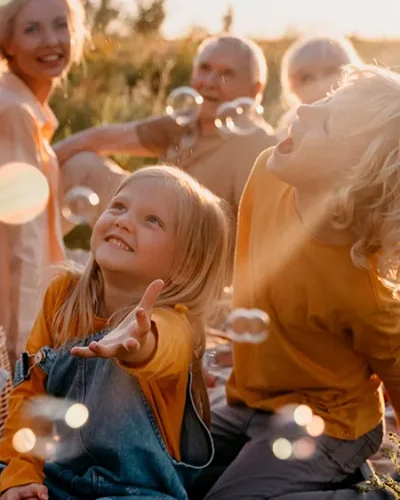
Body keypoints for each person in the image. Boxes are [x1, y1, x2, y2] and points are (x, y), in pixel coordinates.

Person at [192, 65, 400, 500]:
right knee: (160, 466)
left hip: (333, 423)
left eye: (326, 121)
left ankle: (375, 494)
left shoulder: (364, 292)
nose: (305, 109)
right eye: (323, 101)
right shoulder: (266, 174)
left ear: (354, 176)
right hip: (250, 399)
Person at [0, 165, 231, 499]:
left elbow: (163, 347)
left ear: (185, 264)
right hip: (52, 477)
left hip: (135, 490)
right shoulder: (62, 297)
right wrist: (21, 474)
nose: (123, 221)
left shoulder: (174, 324)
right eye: (119, 207)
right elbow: (30, 393)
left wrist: (140, 344)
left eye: (152, 220)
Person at [53, 35, 277, 217]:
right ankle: (37, 253)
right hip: (153, 223)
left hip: (198, 251)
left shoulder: (258, 144)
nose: (209, 82)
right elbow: (101, 138)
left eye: (227, 74)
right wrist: (35, 164)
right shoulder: (184, 122)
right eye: (205, 68)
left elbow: (252, 233)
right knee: (80, 164)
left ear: (254, 90)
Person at [0, 0, 88, 366]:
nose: (51, 40)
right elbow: (25, 241)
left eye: (60, 25)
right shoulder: (14, 113)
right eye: (32, 29)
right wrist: (26, 353)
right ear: (8, 44)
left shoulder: (20, 107)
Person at [277, 36, 362, 138]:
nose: (320, 85)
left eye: (329, 72)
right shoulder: (287, 136)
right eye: (307, 78)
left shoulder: (370, 124)